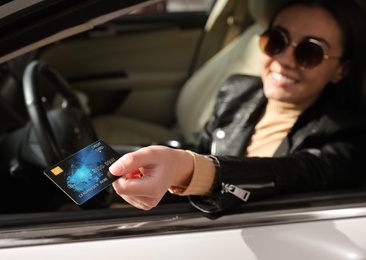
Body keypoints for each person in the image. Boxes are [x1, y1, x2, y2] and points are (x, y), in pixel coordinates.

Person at [110, 0, 366, 213]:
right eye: (276, 40)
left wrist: (185, 167)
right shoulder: (238, 91)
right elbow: (201, 152)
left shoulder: (349, 136)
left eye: (310, 52)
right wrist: (110, 200)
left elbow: (289, 173)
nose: (284, 59)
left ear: (341, 70)